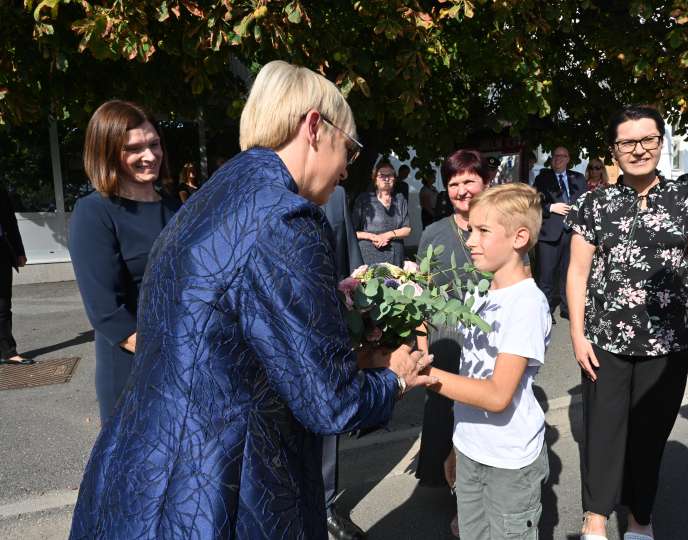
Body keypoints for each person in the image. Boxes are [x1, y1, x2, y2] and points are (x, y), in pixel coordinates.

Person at [68, 60, 433, 540]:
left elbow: (229, 341)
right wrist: (395, 379)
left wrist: (349, 354)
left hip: (140, 470)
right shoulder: (285, 219)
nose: (347, 167)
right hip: (213, 491)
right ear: (314, 127)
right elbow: (329, 405)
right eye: (349, 147)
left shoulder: (209, 199)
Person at [565, 105, 688, 540]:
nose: (639, 149)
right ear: (613, 150)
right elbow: (577, 272)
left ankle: (640, 519)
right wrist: (577, 335)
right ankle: (595, 517)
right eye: (628, 142)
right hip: (604, 342)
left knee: (650, 436)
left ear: (660, 142)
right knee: (603, 434)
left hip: (668, 344)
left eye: (648, 139)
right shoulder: (593, 203)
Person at [423, 183, 551, 540]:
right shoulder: (483, 294)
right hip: (471, 450)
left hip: (509, 464)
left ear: (519, 237)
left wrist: (427, 376)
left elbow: (496, 396)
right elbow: (472, 374)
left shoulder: (526, 304)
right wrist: (456, 444)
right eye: (470, 230)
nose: (470, 241)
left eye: (483, 231)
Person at [68, 100, 181, 423]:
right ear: (107, 152)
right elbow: (108, 314)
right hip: (134, 371)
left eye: (154, 144)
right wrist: (171, 355)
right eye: (135, 148)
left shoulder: (177, 208)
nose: (150, 156)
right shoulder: (94, 213)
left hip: (186, 368)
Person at [416, 149, 490, 495]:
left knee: (482, 413)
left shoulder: (501, 231)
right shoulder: (433, 234)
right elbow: (420, 298)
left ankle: (477, 483)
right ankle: (446, 477)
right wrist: (420, 349)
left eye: (469, 181)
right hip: (445, 339)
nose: (462, 189)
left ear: (485, 183)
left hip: (488, 339)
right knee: (443, 410)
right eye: (454, 183)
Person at [319, 185, 366, 540]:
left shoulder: (336, 195)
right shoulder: (259, 187)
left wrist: (365, 321)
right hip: (272, 334)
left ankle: (325, 506)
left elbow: (349, 260)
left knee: (329, 425)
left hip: (328, 332)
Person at [533, 146, 586, 322]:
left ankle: (566, 308)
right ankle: (545, 311)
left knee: (568, 273)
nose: (558, 159)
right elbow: (532, 203)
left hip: (572, 233)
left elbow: (585, 204)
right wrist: (550, 207)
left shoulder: (577, 179)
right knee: (546, 275)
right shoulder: (543, 178)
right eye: (556, 156)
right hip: (549, 233)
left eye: (562, 156)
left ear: (568, 159)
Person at [352, 160, 411, 266]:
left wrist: (387, 235)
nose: (386, 178)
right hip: (368, 254)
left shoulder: (400, 199)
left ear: (394, 178)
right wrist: (373, 237)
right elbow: (353, 232)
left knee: (394, 282)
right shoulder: (364, 199)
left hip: (395, 255)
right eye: (382, 175)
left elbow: (407, 229)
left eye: (390, 175)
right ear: (375, 179)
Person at [0, 185, 30, 366]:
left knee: (3, 305)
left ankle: (8, 352)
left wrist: (19, 251)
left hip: (2, 252)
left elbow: (10, 221)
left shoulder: (1, 191)